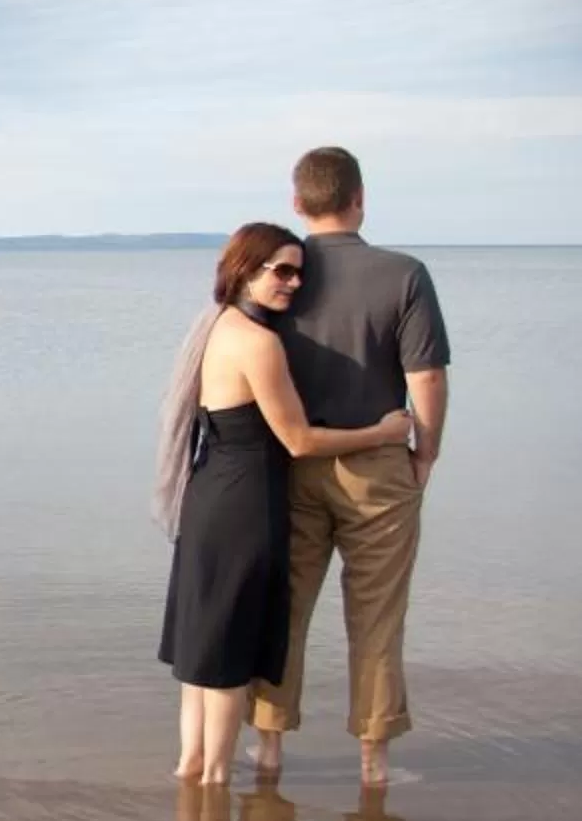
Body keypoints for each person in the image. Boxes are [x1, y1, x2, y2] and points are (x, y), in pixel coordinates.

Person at [155, 223, 414, 785]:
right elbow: (299, 440)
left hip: (208, 496)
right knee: (226, 661)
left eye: (300, 271)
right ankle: (215, 788)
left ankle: (192, 779)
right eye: (283, 271)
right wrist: (383, 432)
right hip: (245, 506)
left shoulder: (216, 325)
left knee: (201, 655)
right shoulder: (259, 342)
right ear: (247, 270)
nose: (295, 283)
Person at [248, 147, 452, 787]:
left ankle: (270, 750)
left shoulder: (281, 272)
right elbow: (427, 378)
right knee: (378, 619)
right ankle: (373, 764)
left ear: (297, 203)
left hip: (291, 463)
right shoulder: (404, 273)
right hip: (378, 467)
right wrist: (426, 452)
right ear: (361, 198)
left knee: (285, 611)